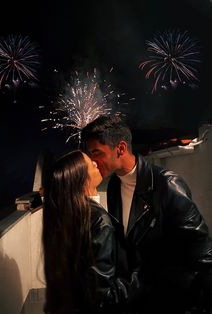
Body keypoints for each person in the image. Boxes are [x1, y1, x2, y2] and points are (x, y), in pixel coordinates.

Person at [81, 115, 212, 314]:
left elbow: (202, 252)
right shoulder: (115, 185)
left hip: (172, 299)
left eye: (97, 152)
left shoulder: (167, 185)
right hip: (140, 298)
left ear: (121, 148)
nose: (93, 162)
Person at [42, 150, 130, 314]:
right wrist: (139, 281)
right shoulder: (99, 221)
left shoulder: (65, 215)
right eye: (91, 163)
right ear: (82, 180)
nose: (96, 163)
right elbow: (102, 295)